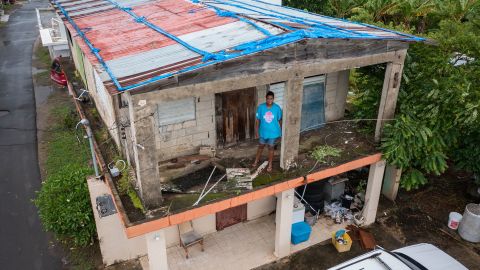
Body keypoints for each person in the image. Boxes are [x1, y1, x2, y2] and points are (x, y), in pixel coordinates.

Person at [252, 91, 282, 172]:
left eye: (271, 99)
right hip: (263, 132)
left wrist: (280, 131)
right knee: (261, 146)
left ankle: (270, 163)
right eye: (268, 98)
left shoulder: (277, 108)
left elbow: (279, 120)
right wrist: (256, 131)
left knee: (271, 147)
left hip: (273, 132)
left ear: (273, 99)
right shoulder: (261, 107)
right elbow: (257, 120)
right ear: (266, 98)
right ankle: (256, 160)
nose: (269, 100)